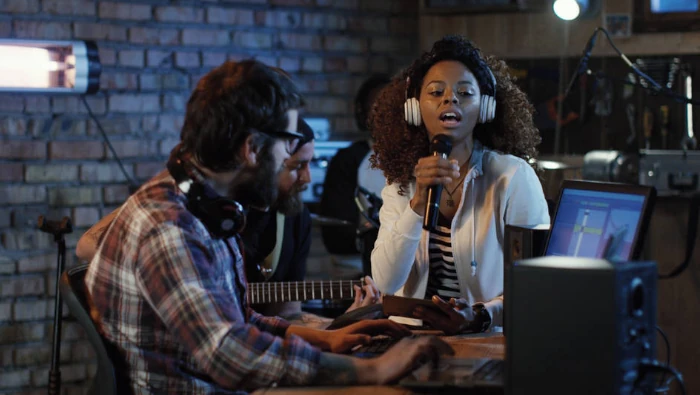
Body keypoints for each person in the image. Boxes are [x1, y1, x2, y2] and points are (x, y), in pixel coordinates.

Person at [83, 60, 452, 393]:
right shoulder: (170, 226)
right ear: (252, 149)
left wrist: (324, 340)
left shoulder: (207, 207)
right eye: (289, 144)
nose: (290, 161)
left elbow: (235, 317)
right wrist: (372, 370)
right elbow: (229, 354)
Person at [76, 118, 381, 323]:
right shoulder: (209, 207)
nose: (307, 178)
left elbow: (285, 316)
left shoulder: (293, 216)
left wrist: (344, 326)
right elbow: (87, 246)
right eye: (296, 166)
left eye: (309, 164)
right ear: (260, 160)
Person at [369, 36, 550, 335]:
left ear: (486, 107)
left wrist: (480, 316)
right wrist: (416, 206)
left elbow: (535, 283)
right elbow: (386, 282)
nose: (450, 99)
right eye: (436, 92)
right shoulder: (400, 185)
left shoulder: (513, 178)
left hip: (485, 336)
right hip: (410, 337)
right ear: (414, 107)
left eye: (465, 93)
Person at [319, 74, 391, 266]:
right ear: (363, 114)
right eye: (378, 108)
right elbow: (336, 236)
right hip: (356, 274)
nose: (387, 116)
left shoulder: (422, 159)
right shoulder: (348, 160)